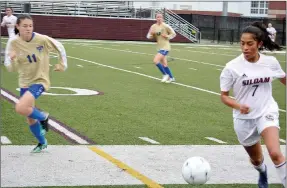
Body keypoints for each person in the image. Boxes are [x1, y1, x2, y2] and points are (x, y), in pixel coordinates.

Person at [220, 21, 286, 188]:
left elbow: (284, 79)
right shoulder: (231, 67)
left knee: (276, 154)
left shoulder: (270, 62)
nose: (245, 48)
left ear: (259, 44)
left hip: (266, 111)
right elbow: (224, 97)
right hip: (244, 118)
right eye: (242, 43)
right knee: (256, 159)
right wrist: (238, 106)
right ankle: (262, 171)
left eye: (250, 44)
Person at [4, 14, 68, 153]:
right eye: (25, 26)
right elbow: (11, 68)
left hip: (40, 80)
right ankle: (42, 142)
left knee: (20, 107)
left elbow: (60, 46)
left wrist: (62, 64)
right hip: (24, 82)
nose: (28, 29)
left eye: (30, 26)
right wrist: (13, 59)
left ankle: (44, 117)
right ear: (17, 27)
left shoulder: (42, 39)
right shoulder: (13, 43)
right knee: (30, 118)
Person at [146, 13, 176, 83]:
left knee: (155, 60)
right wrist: (151, 34)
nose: (159, 18)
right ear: (156, 18)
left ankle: (165, 74)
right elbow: (148, 36)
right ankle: (171, 78)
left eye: (160, 17)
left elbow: (173, 34)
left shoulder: (166, 26)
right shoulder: (153, 26)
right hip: (159, 47)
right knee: (164, 64)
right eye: (157, 17)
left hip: (165, 47)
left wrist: (167, 36)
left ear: (162, 18)